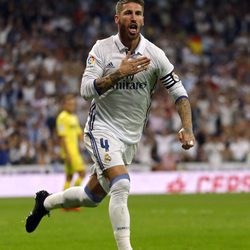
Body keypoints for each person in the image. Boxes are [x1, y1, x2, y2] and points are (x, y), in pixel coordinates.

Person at [25, 1, 195, 249]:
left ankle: (45, 202)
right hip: (101, 128)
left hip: (130, 138)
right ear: (118, 19)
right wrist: (119, 73)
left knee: (91, 197)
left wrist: (188, 127)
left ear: (143, 20)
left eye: (138, 13)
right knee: (122, 184)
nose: (133, 17)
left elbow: (179, 92)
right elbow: (85, 90)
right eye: (128, 13)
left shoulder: (155, 54)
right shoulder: (102, 49)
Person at [56, 94, 86, 209]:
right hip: (69, 152)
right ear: (64, 105)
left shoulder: (73, 117)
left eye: (73, 104)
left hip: (75, 151)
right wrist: (67, 154)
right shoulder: (62, 117)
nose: (72, 106)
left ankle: (64, 204)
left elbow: (79, 134)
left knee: (69, 177)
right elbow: (62, 137)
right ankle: (73, 201)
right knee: (82, 173)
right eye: (69, 104)